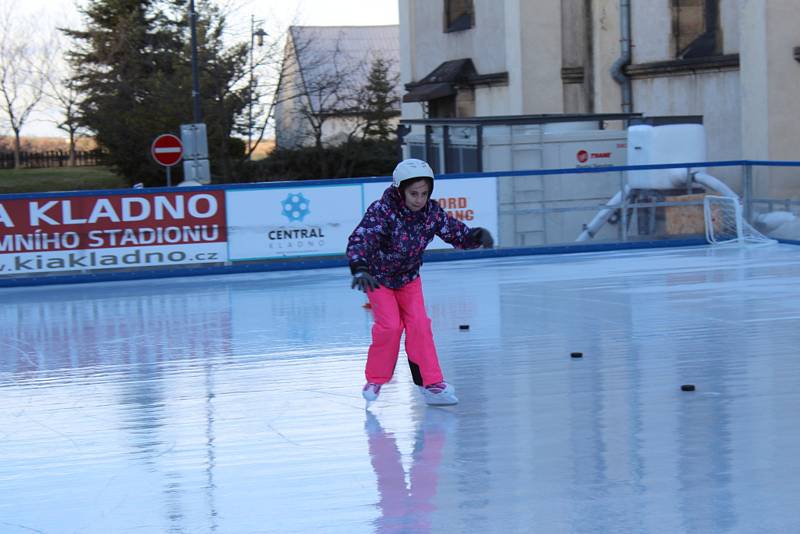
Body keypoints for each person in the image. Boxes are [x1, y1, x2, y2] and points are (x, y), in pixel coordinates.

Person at [346, 158, 494, 405]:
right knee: (391, 327)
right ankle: (376, 379)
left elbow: (453, 232)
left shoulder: (431, 213)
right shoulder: (382, 211)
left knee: (420, 326)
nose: (419, 199)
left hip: (409, 279)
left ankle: (431, 383)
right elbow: (360, 239)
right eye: (413, 193)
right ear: (400, 190)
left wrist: (474, 237)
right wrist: (359, 267)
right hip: (378, 278)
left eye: (424, 193)